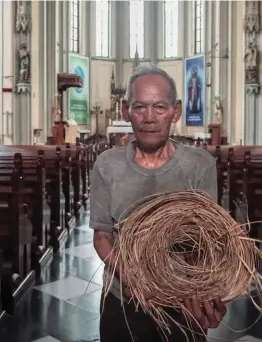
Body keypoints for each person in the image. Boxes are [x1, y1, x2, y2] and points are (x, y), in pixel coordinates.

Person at [89, 63, 227, 342]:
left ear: (175, 111)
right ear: (127, 110)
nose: (149, 117)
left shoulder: (199, 166)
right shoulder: (107, 165)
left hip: (182, 301)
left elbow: (208, 239)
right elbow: (103, 238)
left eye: (160, 107)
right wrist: (137, 283)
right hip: (124, 299)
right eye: (140, 107)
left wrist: (205, 290)